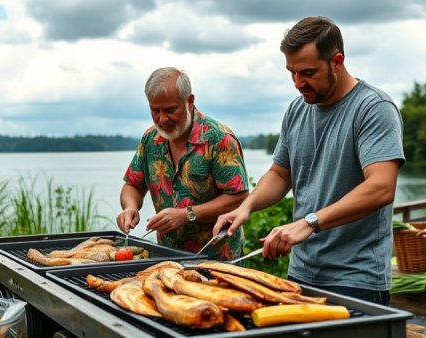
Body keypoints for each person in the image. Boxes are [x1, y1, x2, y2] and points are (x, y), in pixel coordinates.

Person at [213, 17, 405, 306]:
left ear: (337, 61)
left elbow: (381, 187)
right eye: (292, 73)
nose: (298, 83)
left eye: (308, 73)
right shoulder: (297, 109)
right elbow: (280, 174)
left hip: (356, 278)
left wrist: (310, 222)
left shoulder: (373, 108)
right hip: (300, 272)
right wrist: (245, 207)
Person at [117, 67, 249, 260]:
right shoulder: (150, 139)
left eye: (170, 110)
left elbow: (239, 198)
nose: (162, 119)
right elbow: (133, 185)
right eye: (155, 110)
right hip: (167, 258)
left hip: (217, 259)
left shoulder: (219, 138)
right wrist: (130, 207)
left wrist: (186, 214)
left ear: (189, 101)